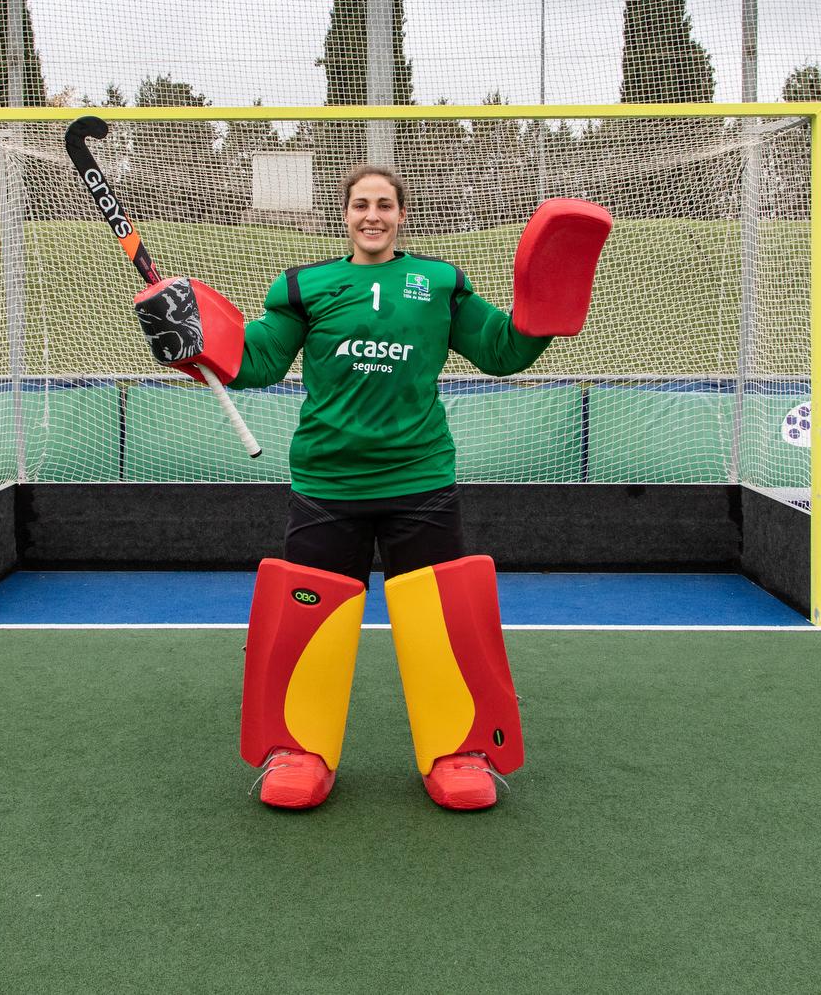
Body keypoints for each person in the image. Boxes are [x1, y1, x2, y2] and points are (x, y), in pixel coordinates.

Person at [130, 164, 610, 812]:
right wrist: (192, 344)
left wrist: (542, 315)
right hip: (329, 483)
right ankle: (300, 750)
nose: (372, 215)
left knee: (443, 619)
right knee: (310, 618)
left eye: (384, 204)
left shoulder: (440, 283)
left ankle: (459, 750)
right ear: (346, 214)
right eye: (360, 204)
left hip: (421, 481)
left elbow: (501, 352)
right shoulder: (305, 286)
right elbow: (258, 360)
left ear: (402, 214)